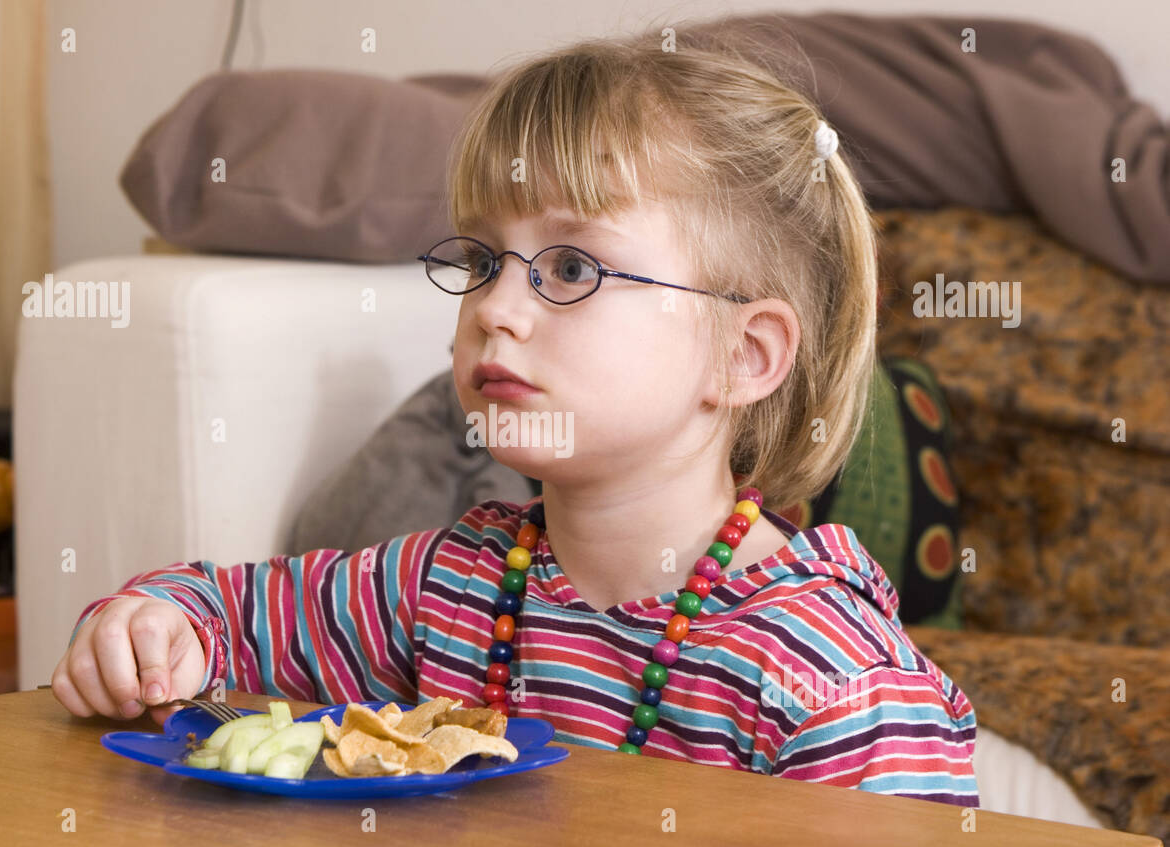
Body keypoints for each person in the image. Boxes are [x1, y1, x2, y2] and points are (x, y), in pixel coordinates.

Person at [52, 32, 977, 807]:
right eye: (485, 259)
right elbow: (223, 609)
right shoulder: (450, 587)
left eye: (573, 268)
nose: (497, 306)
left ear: (744, 356)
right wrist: (149, 625)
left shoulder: (833, 677)